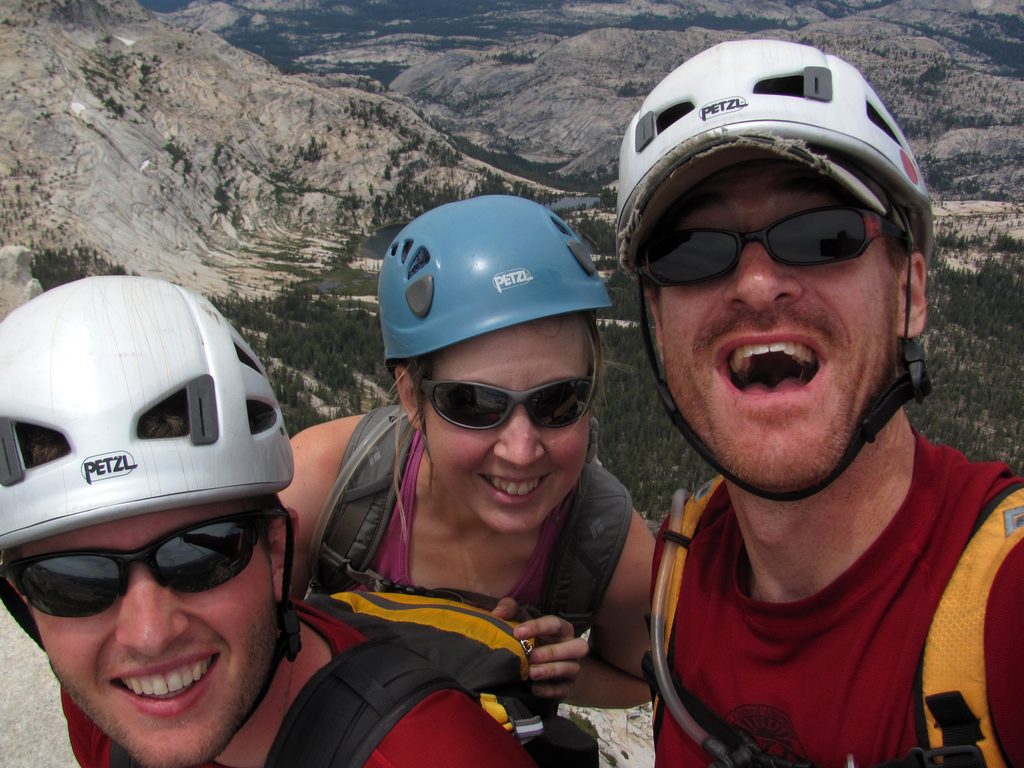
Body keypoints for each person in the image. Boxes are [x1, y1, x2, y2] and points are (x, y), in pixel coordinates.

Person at [614, 39, 1024, 768]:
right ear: (656, 319)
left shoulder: (1005, 604)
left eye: (821, 234)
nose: (756, 284)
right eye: (691, 250)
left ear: (912, 292)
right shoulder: (681, 568)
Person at [0, 275, 536, 768]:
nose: (148, 636)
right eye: (75, 582)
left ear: (277, 549)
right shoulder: (99, 710)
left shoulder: (438, 754)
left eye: (200, 553)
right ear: (27, 602)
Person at [283, 194, 654, 708]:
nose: (521, 451)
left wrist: (564, 675)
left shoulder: (609, 545)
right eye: (474, 404)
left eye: (558, 400)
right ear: (412, 398)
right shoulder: (322, 484)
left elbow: (644, 681)